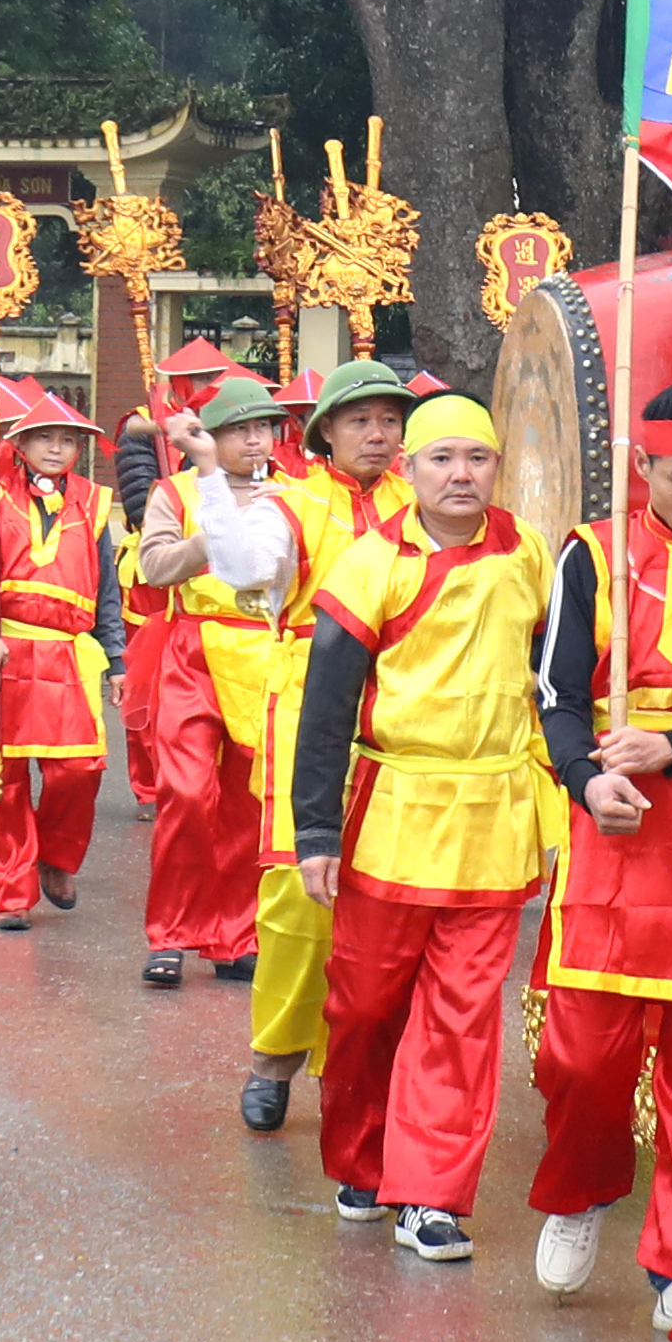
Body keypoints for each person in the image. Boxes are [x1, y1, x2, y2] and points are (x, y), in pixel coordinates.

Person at [283, 388, 562, 1263]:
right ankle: (363, 1160)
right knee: (365, 1007)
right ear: (408, 471)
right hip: (392, 814)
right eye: (441, 459)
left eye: (477, 459)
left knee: (463, 1015)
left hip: (492, 817)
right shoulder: (372, 561)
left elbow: (557, 682)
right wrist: (316, 830)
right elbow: (326, 705)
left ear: (497, 470)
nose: (461, 475)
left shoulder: (530, 556)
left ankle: (430, 1194)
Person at [530, 379, 672, 1298]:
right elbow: (554, 692)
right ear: (642, 468)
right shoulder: (591, 553)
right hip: (615, 824)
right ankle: (578, 1195)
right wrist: (586, 780)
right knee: (585, 1055)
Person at [239, 362, 423, 1114]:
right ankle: (274, 1057)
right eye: (361, 421)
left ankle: (370, 1067)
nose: (379, 435)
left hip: (407, 705)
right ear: (326, 434)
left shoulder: (428, 496)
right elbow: (255, 570)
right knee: (298, 898)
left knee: (395, 895)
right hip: (310, 703)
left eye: (389, 420)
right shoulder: (290, 502)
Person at [129, 376, 305, 996]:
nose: (256, 440)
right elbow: (153, 567)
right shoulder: (174, 491)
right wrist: (222, 532)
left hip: (263, 651)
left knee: (245, 802)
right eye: (240, 429)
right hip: (193, 651)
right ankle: (170, 935)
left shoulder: (295, 494)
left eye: (264, 428)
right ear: (212, 436)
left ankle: (236, 936)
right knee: (183, 791)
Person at [0, 388, 120, 924]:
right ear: (20, 443)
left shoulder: (93, 503)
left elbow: (108, 589)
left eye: (67, 440)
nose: (56, 448)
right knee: (0, 778)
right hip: (3, 648)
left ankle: (56, 857)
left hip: (67, 653)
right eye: (45, 437)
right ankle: (8, 893)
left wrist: (116, 658)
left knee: (79, 770)